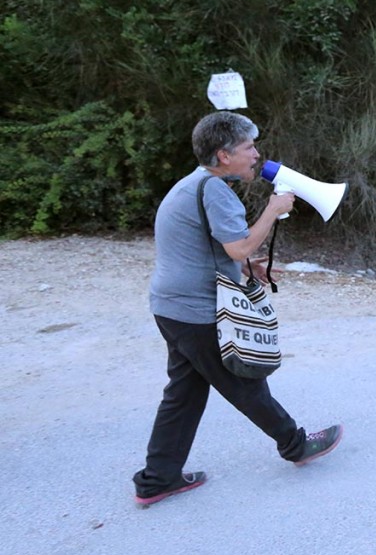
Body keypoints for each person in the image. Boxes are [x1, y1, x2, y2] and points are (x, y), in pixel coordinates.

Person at [133, 111, 342, 506]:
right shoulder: (214, 190)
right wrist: (273, 210)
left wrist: (248, 266)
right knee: (244, 384)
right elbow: (238, 245)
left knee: (184, 394)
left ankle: (157, 479)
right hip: (194, 312)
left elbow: (212, 250)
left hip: (171, 307)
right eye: (248, 147)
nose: (255, 155)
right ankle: (297, 446)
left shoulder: (192, 185)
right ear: (224, 155)